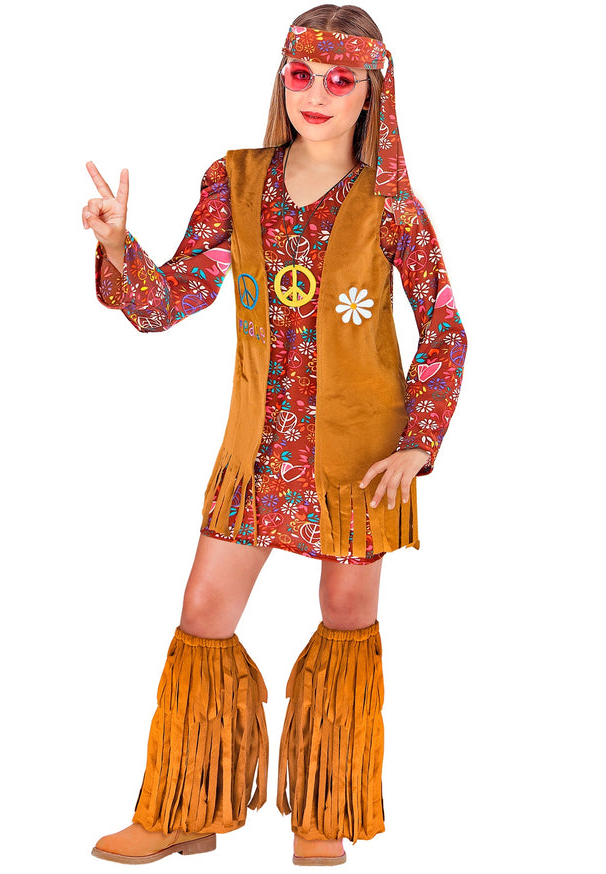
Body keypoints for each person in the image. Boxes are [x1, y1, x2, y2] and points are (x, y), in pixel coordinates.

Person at [81, 3, 467, 866]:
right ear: (282, 79)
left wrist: (418, 441)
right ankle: (185, 805)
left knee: (345, 613)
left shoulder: (391, 205)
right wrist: (118, 246)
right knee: (205, 610)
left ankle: (322, 810)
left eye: (341, 79)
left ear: (372, 92)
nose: (318, 95)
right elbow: (174, 298)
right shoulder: (236, 181)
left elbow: (444, 329)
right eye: (303, 74)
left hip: (360, 459)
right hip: (256, 452)